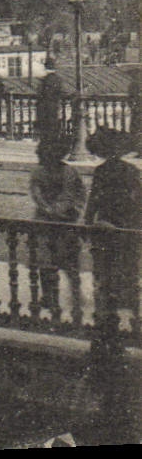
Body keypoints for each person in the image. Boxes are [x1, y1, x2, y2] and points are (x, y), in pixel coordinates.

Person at [84, 128, 142, 322]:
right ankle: (126, 296)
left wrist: (88, 218)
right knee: (125, 258)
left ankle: (114, 295)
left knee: (111, 259)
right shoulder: (130, 170)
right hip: (123, 219)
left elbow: (94, 198)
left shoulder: (102, 170)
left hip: (111, 218)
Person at [28, 135, 86, 314]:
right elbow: (38, 195)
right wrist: (57, 209)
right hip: (60, 220)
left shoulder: (56, 172)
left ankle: (56, 295)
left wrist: (50, 209)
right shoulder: (64, 171)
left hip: (52, 220)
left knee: (57, 259)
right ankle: (61, 295)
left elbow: (68, 195)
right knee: (60, 260)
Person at [35, 68, 65, 142]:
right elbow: (60, 92)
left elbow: (40, 93)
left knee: (45, 126)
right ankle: (53, 140)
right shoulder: (58, 79)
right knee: (53, 124)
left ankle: (46, 141)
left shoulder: (44, 80)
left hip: (44, 106)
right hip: (54, 105)